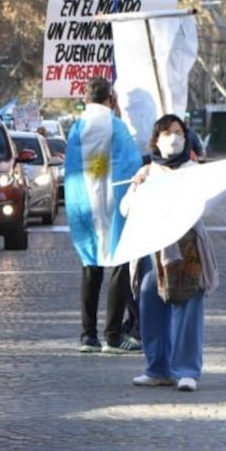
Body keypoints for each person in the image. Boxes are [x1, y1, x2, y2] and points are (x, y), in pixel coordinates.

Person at [121, 114, 219, 391]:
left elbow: (205, 208)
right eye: (166, 133)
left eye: (178, 132)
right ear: (156, 139)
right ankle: (157, 368)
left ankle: (187, 371)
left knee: (189, 306)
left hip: (187, 248)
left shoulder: (193, 169)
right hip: (152, 249)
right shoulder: (148, 171)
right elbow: (125, 209)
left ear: (186, 136)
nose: (173, 138)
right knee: (151, 307)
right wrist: (139, 187)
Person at [64, 76, 144, 354]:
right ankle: (112, 335)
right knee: (119, 265)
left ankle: (88, 335)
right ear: (111, 99)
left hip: (85, 204)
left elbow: (77, 167)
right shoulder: (117, 126)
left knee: (91, 266)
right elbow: (132, 164)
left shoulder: (77, 128)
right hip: (115, 203)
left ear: (85, 99)